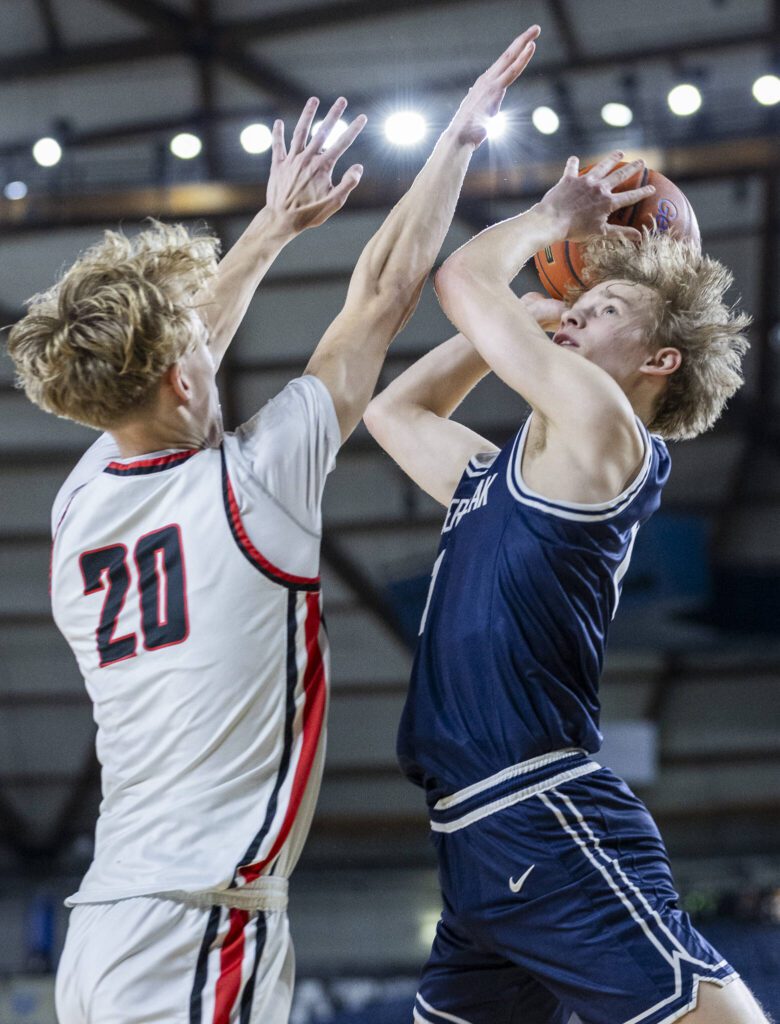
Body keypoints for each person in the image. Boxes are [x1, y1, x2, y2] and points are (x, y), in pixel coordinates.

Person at [6, 26, 541, 1024]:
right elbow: (382, 292)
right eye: (194, 346)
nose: (212, 339)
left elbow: (175, 341)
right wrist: (460, 139)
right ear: (178, 376)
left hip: (110, 923)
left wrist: (272, 228)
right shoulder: (253, 488)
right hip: (199, 924)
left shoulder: (82, 497)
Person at [364, 154, 768, 1024]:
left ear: (660, 360)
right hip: (472, 838)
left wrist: (554, 218)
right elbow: (392, 415)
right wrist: (511, 325)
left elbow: (464, 277)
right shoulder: (501, 473)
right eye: (580, 303)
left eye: (607, 308)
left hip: (540, 808)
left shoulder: (605, 431)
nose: (579, 309)